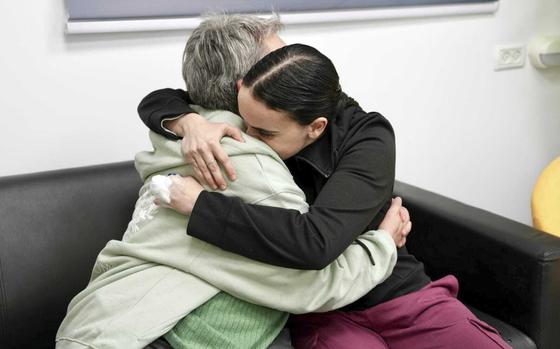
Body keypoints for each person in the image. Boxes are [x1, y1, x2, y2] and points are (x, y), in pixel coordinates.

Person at [139, 16, 513, 349]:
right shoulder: (242, 120)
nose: (281, 64)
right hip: (322, 307)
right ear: (243, 85)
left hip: (396, 290)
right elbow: (160, 99)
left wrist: (199, 205)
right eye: (271, 60)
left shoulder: (362, 133)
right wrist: (188, 122)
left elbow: (315, 242)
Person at [55, 15, 407, 349]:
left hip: (97, 323)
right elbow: (309, 282)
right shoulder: (246, 163)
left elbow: (161, 98)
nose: (289, 64)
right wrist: (382, 245)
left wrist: (185, 122)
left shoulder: (177, 134)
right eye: (277, 59)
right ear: (245, 84)